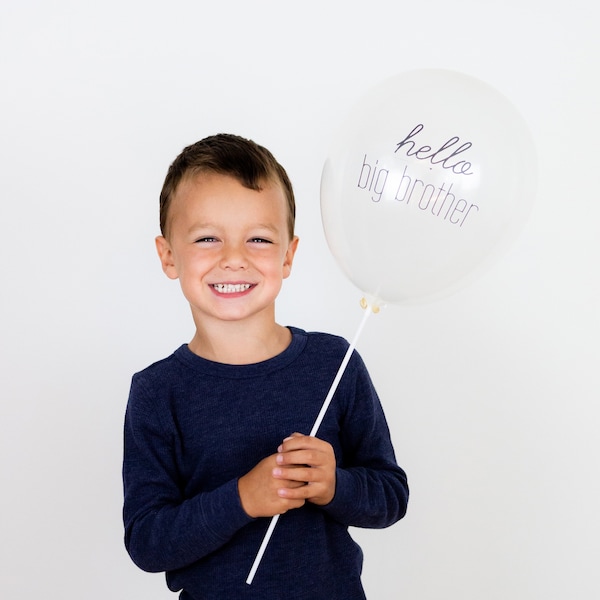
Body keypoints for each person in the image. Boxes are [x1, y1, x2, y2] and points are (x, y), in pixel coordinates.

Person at [122, 133, 409, 599]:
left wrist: (334, 485)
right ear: (168, 255)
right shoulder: (158, 391)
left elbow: (390, 497)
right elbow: (148, 543)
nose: (233, 258)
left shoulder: (333, 363)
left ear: (288, 255)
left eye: (258, 238)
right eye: (207, 238)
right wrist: (243, 498)